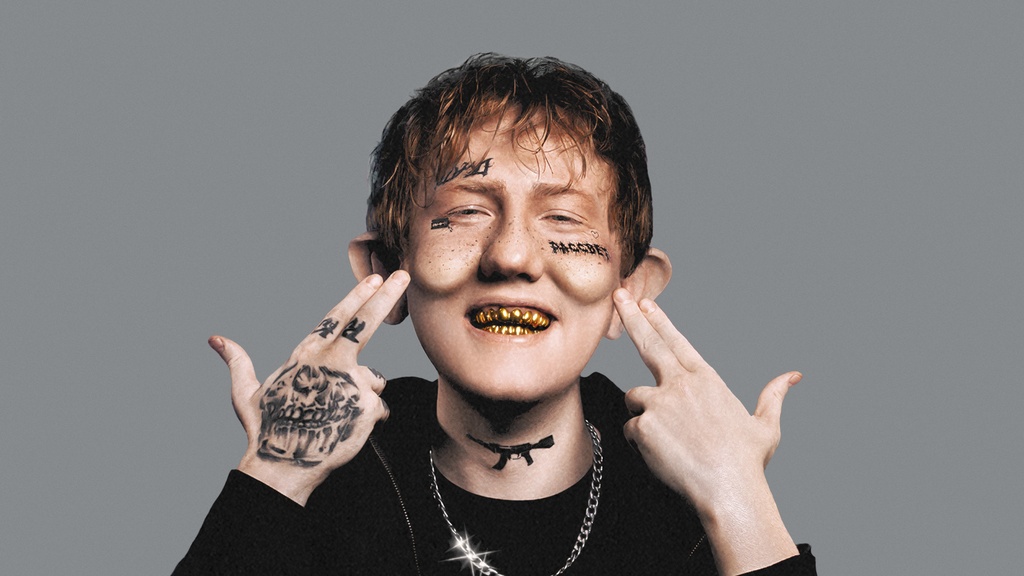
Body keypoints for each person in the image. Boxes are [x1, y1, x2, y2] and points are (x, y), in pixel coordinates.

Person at [174, 54, 816, 575]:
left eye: (563, 218)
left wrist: (737, 498)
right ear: (386, 271)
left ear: (631, 290)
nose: (510, 255)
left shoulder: (688, 514)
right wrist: (277, 470)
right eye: (466, 213)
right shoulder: (323, 499)